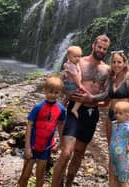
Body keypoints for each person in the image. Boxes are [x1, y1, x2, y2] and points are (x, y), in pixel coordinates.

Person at [51, 34, 111, 187]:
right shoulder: (78, 61)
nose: (101, 50)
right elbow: (63, 82)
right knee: (66, 153)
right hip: (73, 110)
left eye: (104, 49)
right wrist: (69, 94)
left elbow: (106, 92)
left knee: (79, 153)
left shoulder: (107, 69)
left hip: (91, 113)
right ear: (93, 46)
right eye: (99, 47)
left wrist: (92, 99)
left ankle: (69, 182)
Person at [18, 76, 66, 187]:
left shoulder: (61, 109)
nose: (53, 95)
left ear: (60, 93)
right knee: (25, 175)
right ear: (44, 91)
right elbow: (29, 125)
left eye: (56, 93)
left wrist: (60, 142)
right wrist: (27, 146)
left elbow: (61, 124)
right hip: (33, 146)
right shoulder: (38, 107)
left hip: (46, 148)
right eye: (50, 92)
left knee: (40, 176)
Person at [106, 50, 129, 186]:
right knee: (112, 152)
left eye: (119, 62)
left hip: (124, 121)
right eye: (114, 62)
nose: (116, 64)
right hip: (111, 118)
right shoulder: (112, 78)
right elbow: (107, 99)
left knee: (123, 156)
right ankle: (111, 183)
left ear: (125, 63)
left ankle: (122, 183)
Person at [61, 45, 84, 118]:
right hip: (72, 85)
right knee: (82, 96)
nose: (77, 58)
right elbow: (75, 77)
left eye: (79, 56)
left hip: (67, 84)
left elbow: (65, 72)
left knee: (66, 97)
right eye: (75, 56)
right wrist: (80, 85)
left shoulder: (69, 63)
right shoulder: (72, 66)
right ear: (68, 57)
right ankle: (74, 109)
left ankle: (62, 107)